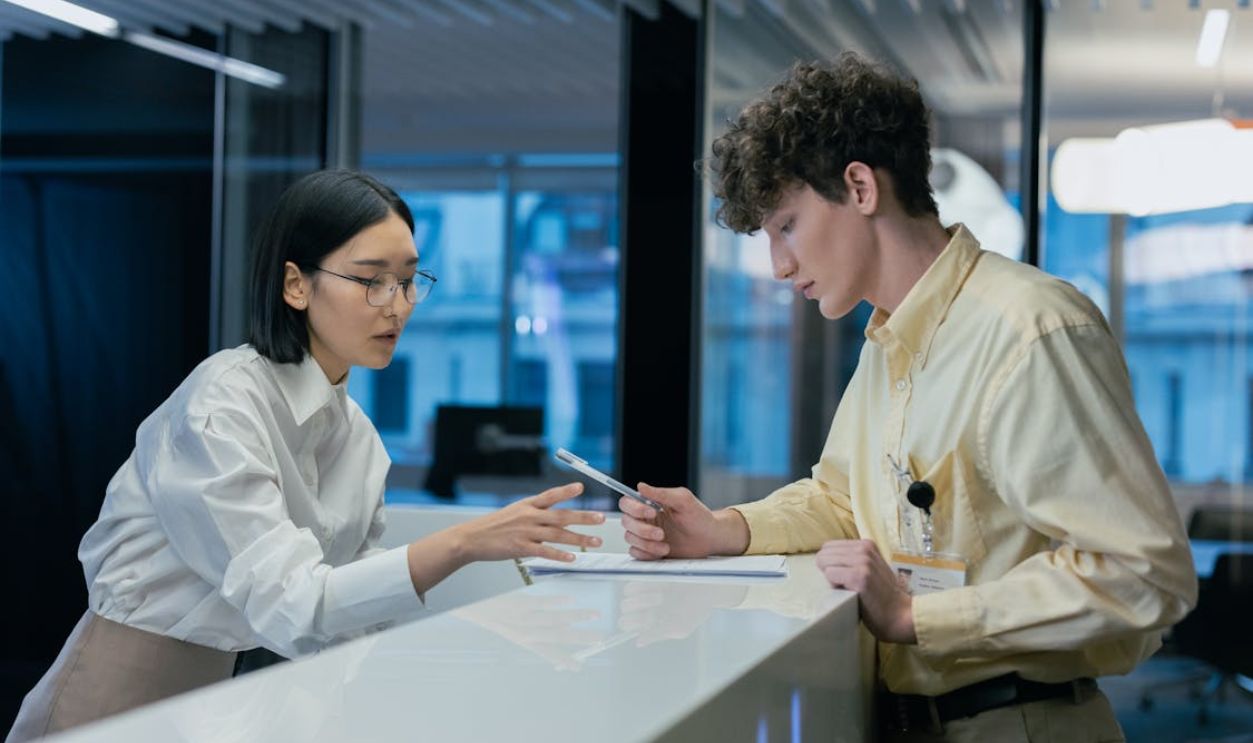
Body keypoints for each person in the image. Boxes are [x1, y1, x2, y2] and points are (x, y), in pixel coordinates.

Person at [619, 54, 1197, 742]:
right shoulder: (888, 344)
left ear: (859, 186)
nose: (778, 266)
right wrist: (724, 529)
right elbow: (842, 498)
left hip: (1019, 721)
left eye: (786, 226)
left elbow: (1141, 574)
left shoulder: (1028, 329)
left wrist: (913, 617)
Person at [8, 170, 604, 741]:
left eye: (408, 280)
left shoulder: (360, 438)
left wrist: (485, 633)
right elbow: (295, 603)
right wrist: (463, 544)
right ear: (296, 284)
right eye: (371, 279)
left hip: (229, 700)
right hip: (122, 690)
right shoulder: (222, 404)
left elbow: (349, 625)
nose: (397, 306)